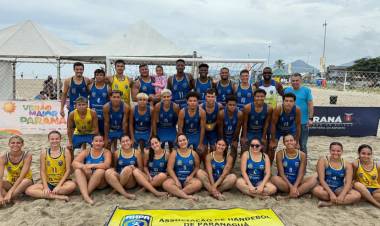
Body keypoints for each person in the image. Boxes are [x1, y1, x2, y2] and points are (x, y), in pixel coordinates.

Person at [25, 131, 76, 201]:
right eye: (52, 139)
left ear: (60, 139)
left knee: (72, 186)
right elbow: (42, 171)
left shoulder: (65, 151)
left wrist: (58, 186)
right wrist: (46, 187)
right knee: (28, 190)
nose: (54, 141)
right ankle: (57, 196)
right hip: (49, 182)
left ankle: (48, 195)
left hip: (63, 182)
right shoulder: (44, 152)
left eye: (57, 139)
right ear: (49, 140)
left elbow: (68, 170)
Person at [312, 142, 361, 207]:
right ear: (329, 151)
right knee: (317, 190)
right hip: (324, 187)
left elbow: (348, 182)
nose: (335, 153)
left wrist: (342, 195)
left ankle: (330, 203)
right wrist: (331, 193)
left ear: (342, 151)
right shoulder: (323, 160)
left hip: (338, 188)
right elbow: (321, 179)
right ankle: (337, 200)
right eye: (333, 150)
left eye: (338, 151)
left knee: (357, 195)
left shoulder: (347, 164)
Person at [72, 135, 112, 204]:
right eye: (96, 141)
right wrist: (83, 167)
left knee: (100, 171)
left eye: (100, 141)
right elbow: (74, 163)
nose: (98, 143)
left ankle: (86, 194)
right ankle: (86, 196)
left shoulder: (106, 152)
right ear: (92, 142)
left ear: (103, 143)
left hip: (100, 182)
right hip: (89, 178)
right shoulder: (87, 151)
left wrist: (92, 165)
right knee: (78, 170)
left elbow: (106, 165)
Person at [162, 134, 202, 200]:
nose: (182, 142)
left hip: (188, 180)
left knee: (198, 184)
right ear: (177, 143)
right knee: (165, 184)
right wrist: (176, 180)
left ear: (188, 140)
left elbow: (197, 167)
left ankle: (176, 194)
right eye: (180, 141)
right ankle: (187, 196)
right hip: (177, 178)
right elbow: (169, 169)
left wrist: (191, 176)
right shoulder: (174, 153)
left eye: (184, 140)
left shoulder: (194, 153)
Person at [105, 135, 142, 200]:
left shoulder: (137, 153)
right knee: (108, 171)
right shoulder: (116, 153)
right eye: (123, 142)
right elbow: (115, 167)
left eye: (127, 141)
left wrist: (134, 168)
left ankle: (115, 191)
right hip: (120, 177)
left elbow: (141, 169)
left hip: (130, 181)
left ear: (131, 141)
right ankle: (125, 194)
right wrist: (110, 171)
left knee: (127, 169)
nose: (125, 143)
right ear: (120, 143)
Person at [284, 73, 314, 154]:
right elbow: (285, 105)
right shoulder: (287, 90)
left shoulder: (306, 90)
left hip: (303, 122)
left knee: (303, 145)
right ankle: (292, 160)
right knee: (291, 144)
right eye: (293, 81)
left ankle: (303, 163)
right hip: (291, 122)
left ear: (301, 80)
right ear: (290, 81)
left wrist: (310, 119)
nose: (295, 82)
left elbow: (310, 104)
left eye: (297, 80)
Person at [0, 136, 33, 205]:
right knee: (2, 182)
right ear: (9, 144)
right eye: (13, 143)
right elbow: (1, 176)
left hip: (24, 183)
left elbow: (22, 176)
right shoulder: (3, 157)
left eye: (18, 143)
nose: (15, 145)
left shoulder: (27, 155)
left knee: (25, 181)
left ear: (22, 144)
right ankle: (12, 199)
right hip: (11, 182)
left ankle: (8, 198)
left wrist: (10, 192)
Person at [269, 93, 301, 162]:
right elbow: (273, 124)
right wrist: (272, 140)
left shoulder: (297, 110)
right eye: (286, 101)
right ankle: (269, 164)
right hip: (278, 129)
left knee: (293, 146)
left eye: (291, 101)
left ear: (294, 102)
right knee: (272, 147)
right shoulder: (278, 109)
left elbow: (298, 125)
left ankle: (291, 163)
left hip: (290, 129)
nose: (288, 103)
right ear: (283, 102)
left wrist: (297, 141)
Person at [177, 91, 206, 160]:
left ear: (198, 102)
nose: (192, 103)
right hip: (186, 134)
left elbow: (202, 128)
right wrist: (181, 140)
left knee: (201, 151)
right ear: (187, 102)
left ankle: (198, 165)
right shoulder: (182, 112)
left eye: (194, 101)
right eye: (190, 101)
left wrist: (201, 143)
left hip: (197, 133)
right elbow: (180, 128)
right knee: (182, 149)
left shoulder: (201, 112)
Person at [217, 95, 242, 161]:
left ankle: (231, 166)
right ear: (226, 104)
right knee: (223, 148)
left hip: (233, 135)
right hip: (224, 135)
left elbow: (238, 129)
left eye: (234, 105)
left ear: (236, 105)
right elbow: (220, 129)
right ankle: (223, 162)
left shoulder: (239, 114)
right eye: (230, 105)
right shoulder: (221, 113)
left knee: (234, 148)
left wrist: (234, 140)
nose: (232, 106)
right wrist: (222, 140)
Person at [201, 88, 223, 154]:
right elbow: (199, 121)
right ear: (205, 97)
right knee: (203, 149)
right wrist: (205, 126)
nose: (210, 98)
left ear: (215, 97)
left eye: (212, 97)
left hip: (214, 130)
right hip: (203, 129)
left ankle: (212, 161)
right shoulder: (201, 107)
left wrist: (214, 124)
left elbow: (221, 120)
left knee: (213, 148)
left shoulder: (219, 106)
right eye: (208, 96)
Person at [89, 68, 110, 136]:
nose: (99, 76)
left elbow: (110, 101)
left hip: (104, 115)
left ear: (104, 77)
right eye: (97, 75)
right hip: (93, 115)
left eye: (101, 75)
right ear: (95, 76)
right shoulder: (90, 86)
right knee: (94, 135)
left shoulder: (108, 87)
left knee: (104, 134)